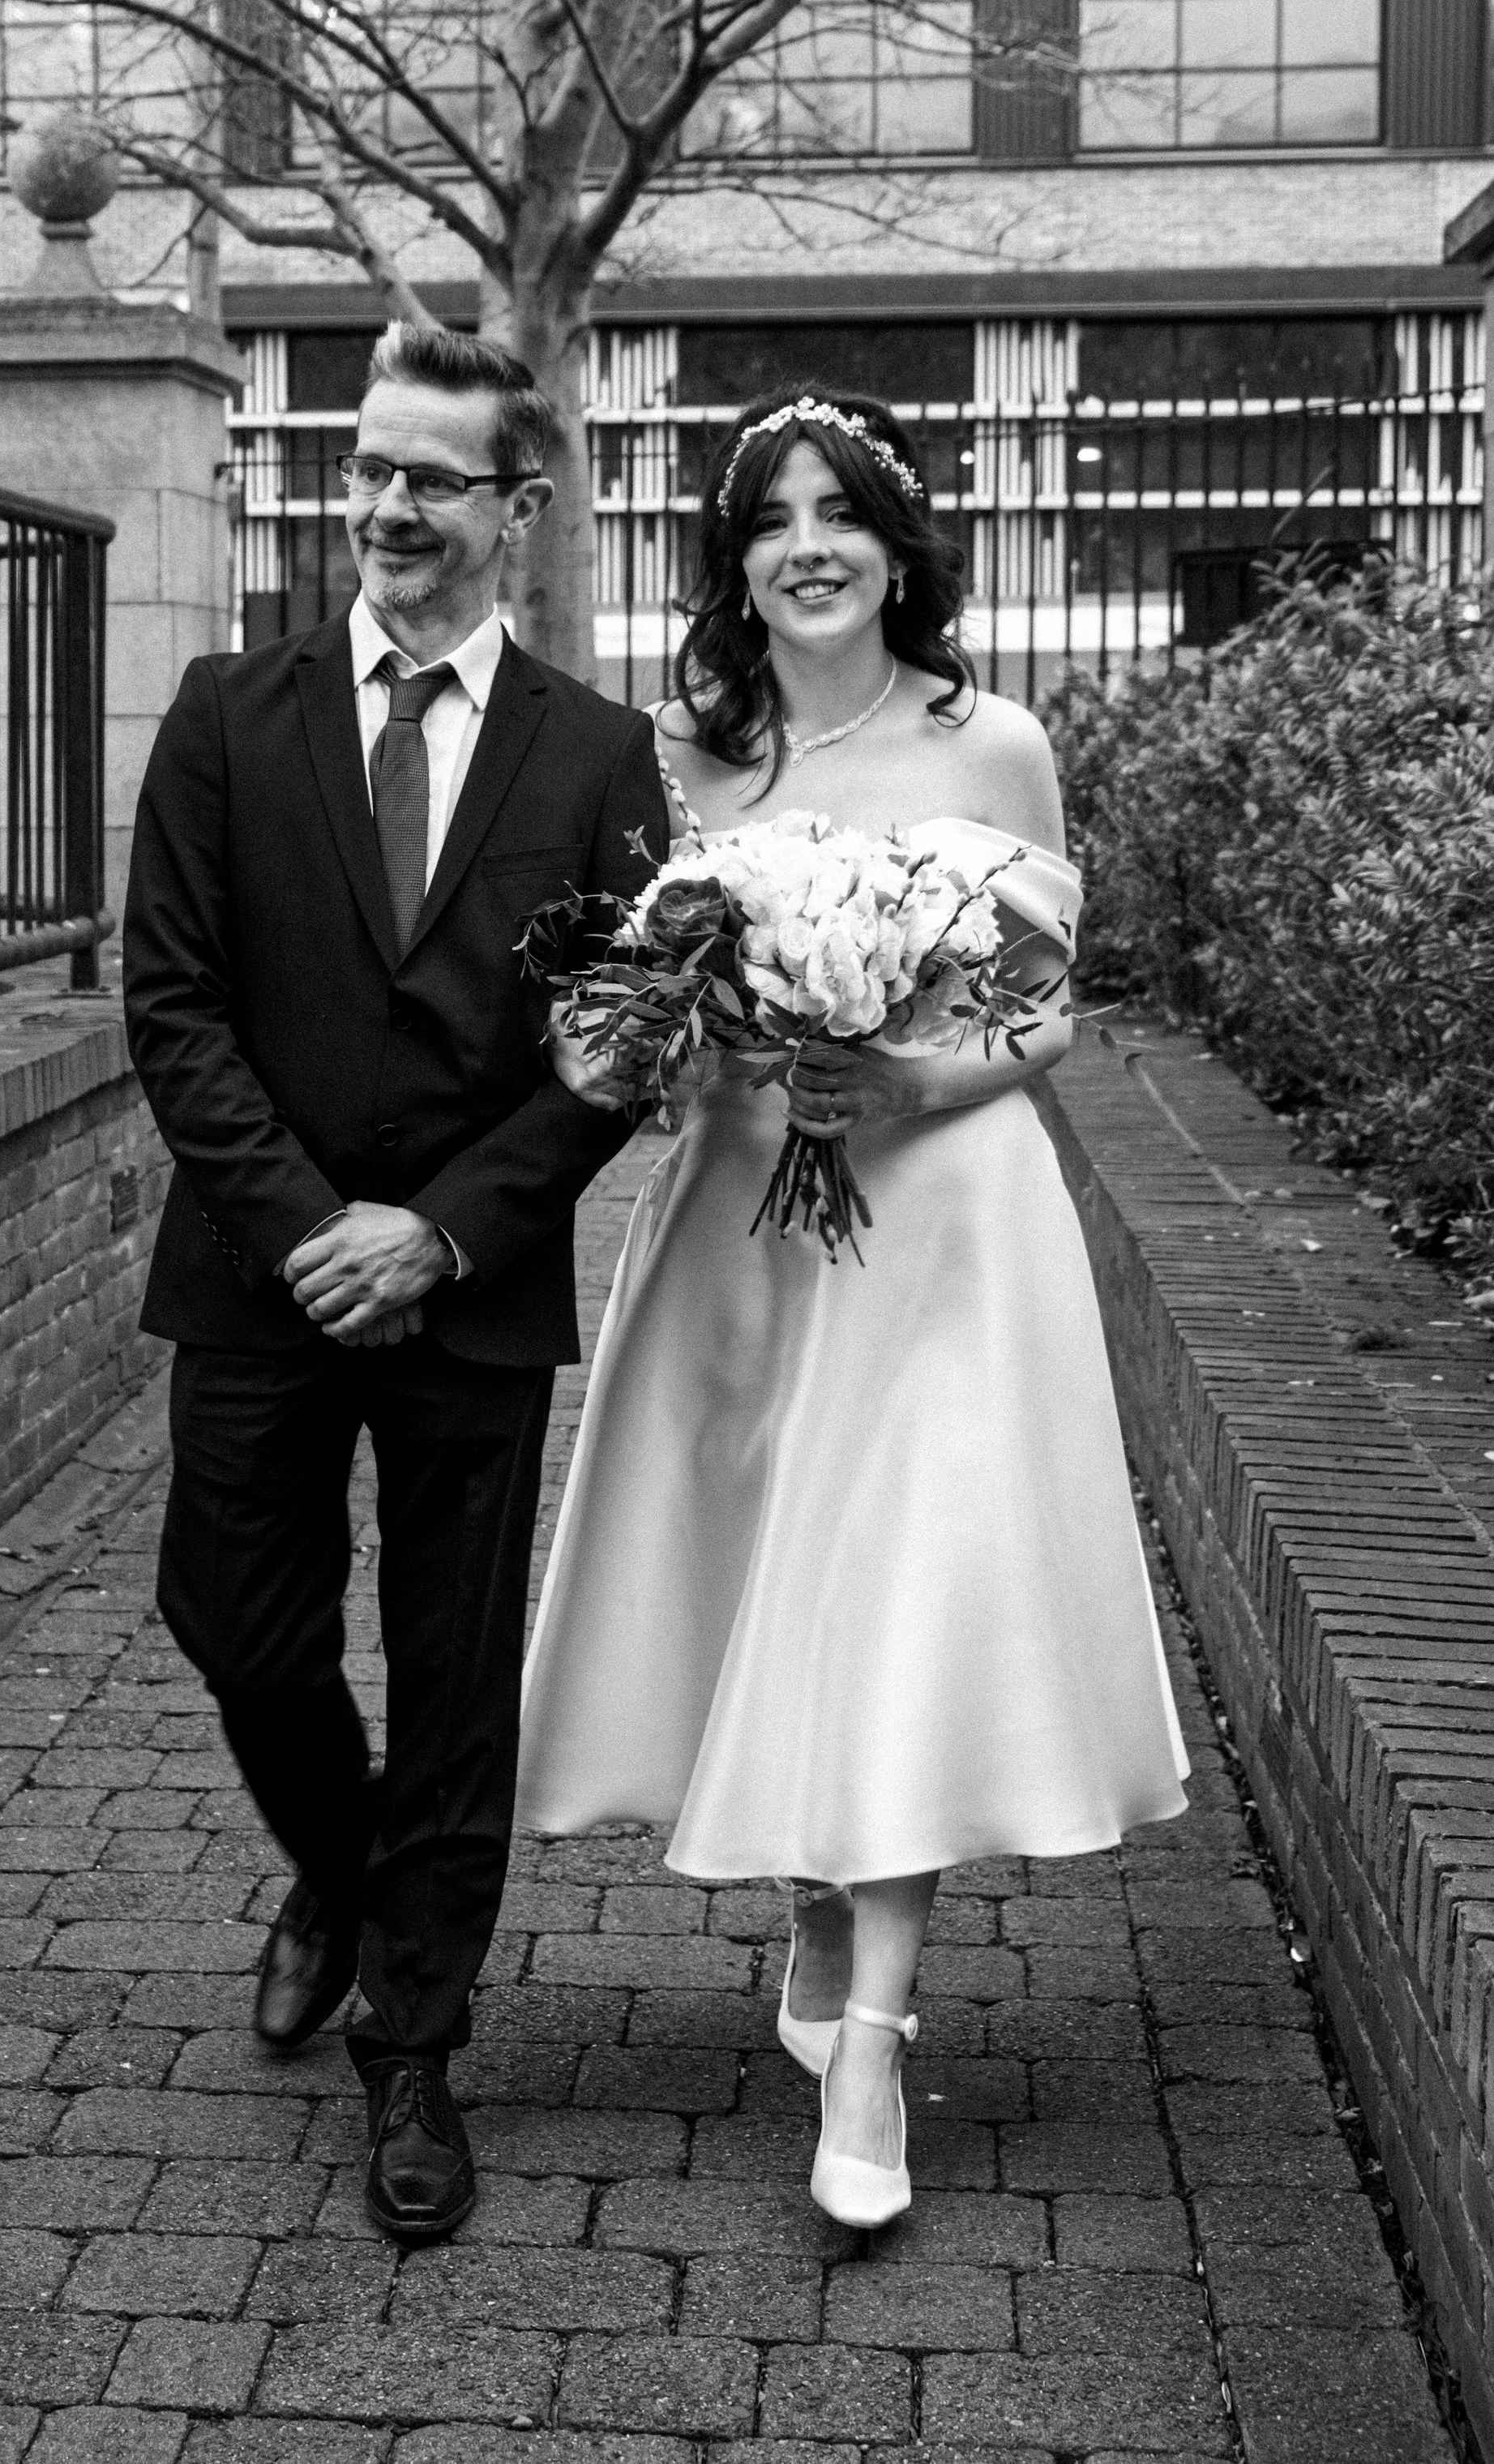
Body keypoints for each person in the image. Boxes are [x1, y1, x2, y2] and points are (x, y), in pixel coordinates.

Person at [517, 385, 1188, 2233]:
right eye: (767, 518)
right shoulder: (679, 757)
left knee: (892, 1583)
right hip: (746, 1223)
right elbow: (618, 1004)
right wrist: (679, 1044)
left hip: (948, 1227)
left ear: (900, 547)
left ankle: (876, 2039)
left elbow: (1051, 1004)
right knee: (779, 1577)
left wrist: (896, 1082)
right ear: (732, 563)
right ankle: (821, 1920)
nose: (806, 544)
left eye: (841, 513)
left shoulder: (995, 746)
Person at [123, 321, 668, 2246]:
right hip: (257, 1279)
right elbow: (172, 1006)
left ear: (516, 509)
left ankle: (413, 2050)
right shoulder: (223, 712)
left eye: (429, 479)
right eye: (366, 468)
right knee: (235, 1623)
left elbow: (611, 1052)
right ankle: (342, 1875)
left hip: (471, 1293)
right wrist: (304, 1232)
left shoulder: (597, 760)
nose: (383, 507)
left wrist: (434, 1232)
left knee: (451, 1683)